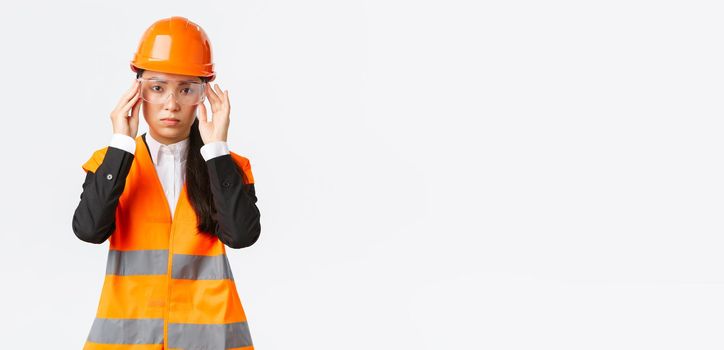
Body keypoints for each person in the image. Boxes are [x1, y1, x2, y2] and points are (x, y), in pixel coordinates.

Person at [72, 16, 260, 350]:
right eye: (157, 88)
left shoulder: (227, 168)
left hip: (211, 341)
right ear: (137, 92)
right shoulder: (110, 164)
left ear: (203, 96)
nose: (171, 104)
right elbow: (89, 230)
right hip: (127, 343)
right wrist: (121, 143)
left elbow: (242, 236)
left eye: (186, 89)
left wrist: (216, 150)